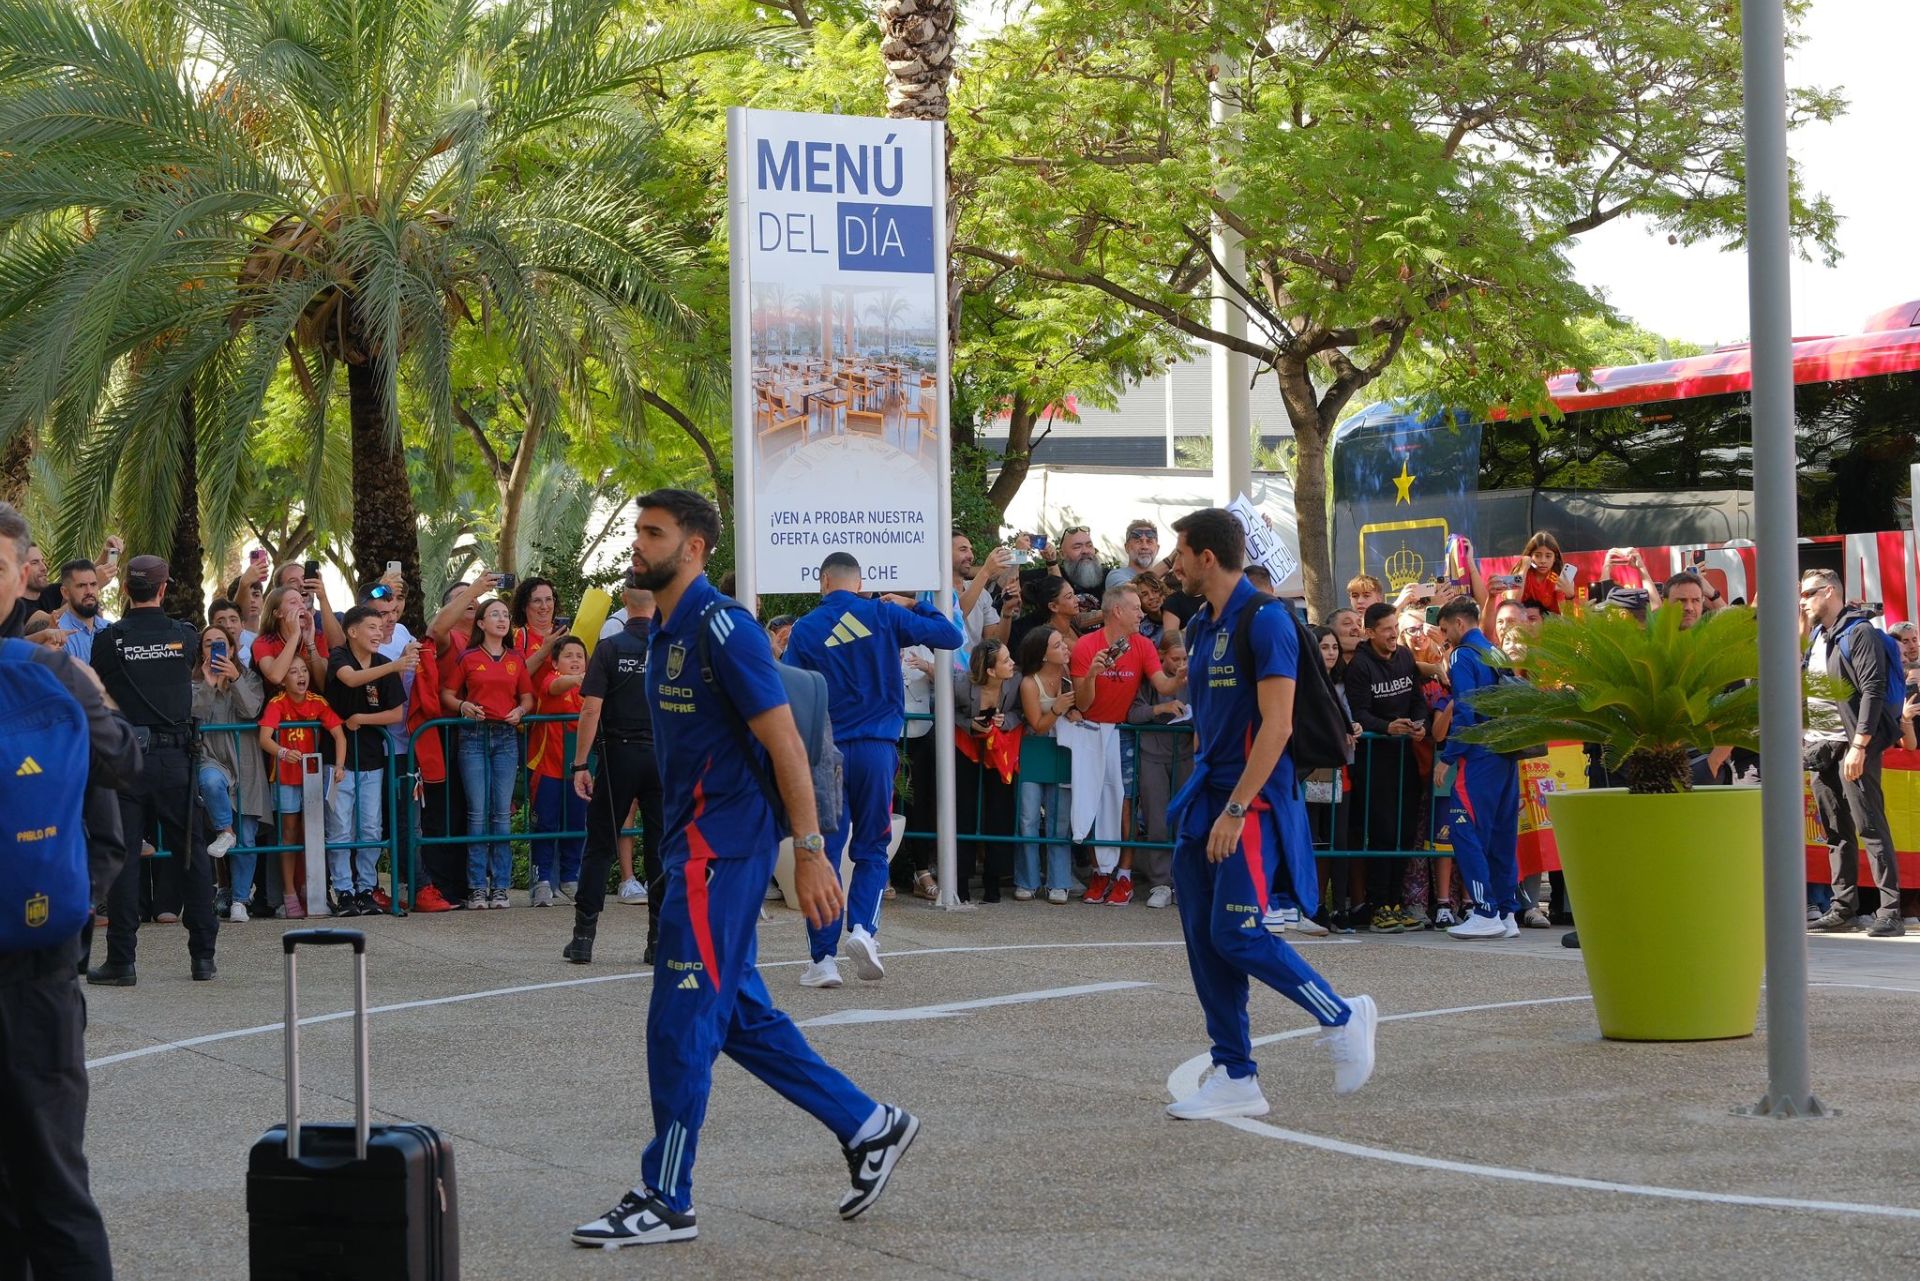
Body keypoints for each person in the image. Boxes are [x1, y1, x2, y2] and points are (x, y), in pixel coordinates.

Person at [570, 489, 919, 1248]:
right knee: (739, 1018)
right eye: (638, 531)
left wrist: (810, 847)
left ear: (693, 547)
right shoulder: (664, 630)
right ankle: (870, 1125)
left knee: (680, 1021)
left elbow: (786, 740)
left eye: (652, 533)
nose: (638, 544)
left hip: (720, 855)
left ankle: (667, 1195)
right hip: (692, 851)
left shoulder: (722, 626)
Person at [1160, 507, 1376, 1120]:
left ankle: (1342, 1014)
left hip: (1248, 802)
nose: (1172, 564)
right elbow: (1208, 719)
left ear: (1207, 557)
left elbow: (1277, 726)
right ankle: (1234, 1074)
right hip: (1208, 798)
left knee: (1238, 933)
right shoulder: (1203, 624)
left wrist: (1236, 807)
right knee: (1206, 941)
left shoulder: (1268, 620)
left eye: (1179, 552)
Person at [0, 501, 140, 1281]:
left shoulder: (47, 669)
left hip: (39, 960)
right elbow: (125, 765)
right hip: (41, 953)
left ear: (25, 575)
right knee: (50, 1177)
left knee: (39, 1187)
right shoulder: (51, 670)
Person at [784, 553, 963, 987]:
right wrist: (911, 604)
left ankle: (822, 961)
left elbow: (788, 688)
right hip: (878, 750)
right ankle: (863, 929)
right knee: (872, 847)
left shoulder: (806, 627)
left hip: (828, 750)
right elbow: (950, 636)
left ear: (824, 581)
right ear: (859, 582)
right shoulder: (883, 613)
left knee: (825, 852)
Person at [87, 555, 222, 985]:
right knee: (192, 852)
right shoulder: (184, 636)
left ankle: (122, 961)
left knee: (124, 856)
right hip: (176, 757)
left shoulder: (109, 640)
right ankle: (203, 957)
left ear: (126, 590)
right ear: (163, 590)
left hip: (127, 757)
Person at [566, 578, 665, 965]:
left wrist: (580, 764)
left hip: (619, 755)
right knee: (659, 848)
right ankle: (657, 940)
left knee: (601, 845)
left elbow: (590, 709)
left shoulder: (609, 648)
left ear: (624, 600)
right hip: (662, 757)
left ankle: (583, 938)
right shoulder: (674, 648)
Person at [1801, 570, 1904, 937]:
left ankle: (1889, 910)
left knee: (1869, 826)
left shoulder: (1857, 632)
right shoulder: (1817, 634)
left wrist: (1859, 745)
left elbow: (1873, 690)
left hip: (1851, 746)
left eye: (1810, 593)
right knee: (1835, 831)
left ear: (1830, 592)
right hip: (1820, 747)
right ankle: (1843, 907)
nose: (1804, 600)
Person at [1068, 583, 1182, 905]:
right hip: (1090, 730)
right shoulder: (1086, 646)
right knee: (1091, 800)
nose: (1142, 613)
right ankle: (1098, 872)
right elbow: (1085, 704)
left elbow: (1163, 683)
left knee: (1125, 803)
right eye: (1136, 608)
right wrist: (1091, 675)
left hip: (1123, 732)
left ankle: (1124, 876)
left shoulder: (1144, 645)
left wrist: (1180, 678)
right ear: (1117, 611)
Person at [1428, 598, 1525, 939]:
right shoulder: (1497, 653)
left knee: (1464, 830)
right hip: (1506, 752)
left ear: (1457, 623)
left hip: (1480, 756)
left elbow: (1467, 711)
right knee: (1501, 836)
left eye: (1444, 629)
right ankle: (1506, 913)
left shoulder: (1462, 655)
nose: (1444, 637)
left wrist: (1449, 757)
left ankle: (1485, 912)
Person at [1342, 601, 1429, 933]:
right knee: (1383, 832)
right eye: (1386, 629)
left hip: (1406, 757)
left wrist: (1419, 723)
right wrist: (1386, 727)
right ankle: (1379, 906)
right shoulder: (1360, 666)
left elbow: (1417, 697)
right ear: (1370, 633)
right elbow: (1358, 712)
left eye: (1395, 627)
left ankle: (1396, 902)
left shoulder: (1405, 656)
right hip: (1375, 761)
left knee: (1405, 833)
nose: (1394, 634)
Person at [442, 597, 534, 910]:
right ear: (481, 623)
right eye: (494, 614)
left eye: (506, 614)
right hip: (473, 736)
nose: (501, 619)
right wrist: (463, 706)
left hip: (506, 737)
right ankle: (477, 886)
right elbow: (448, 694)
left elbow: (528, 697)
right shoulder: (467, 658)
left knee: (501, 815)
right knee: (478, 813)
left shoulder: (516, 658)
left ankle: (502, 887)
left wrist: (521, 710)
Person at [324, 604, 411, 916]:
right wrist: (393, 667)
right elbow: (349, 679)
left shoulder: (385, 664)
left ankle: (366, 887)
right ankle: (343, 889)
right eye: (372, 627)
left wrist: (362, 716)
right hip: (338, 761)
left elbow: (396, 713)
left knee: (371, 827)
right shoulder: (339, 657)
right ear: (352, 631)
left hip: (373, 758)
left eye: (381, 627)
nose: (379, 633)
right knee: (340, 826)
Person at [257, 658, 347, 918]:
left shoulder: (317, 702)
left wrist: (340, 766)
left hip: (312, 780)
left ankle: (313, 889)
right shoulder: (277, 703)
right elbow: (264, 738)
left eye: (304, 670)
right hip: (285, 778)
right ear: (283, 679)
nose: (300, 675)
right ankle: (288, 894)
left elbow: (339, 734)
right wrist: (283, 752)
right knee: (289, 834)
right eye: (293, 671)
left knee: (313, 834)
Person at [191, 625, 267, 918]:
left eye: (220, 643)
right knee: (208, 781)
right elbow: (195, 715)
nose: (214, 649)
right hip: (213, 757)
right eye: (208, 644)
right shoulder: (196, 680)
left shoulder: (249, 677)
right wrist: (209, 684)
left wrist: (234, 680)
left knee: (247, 836)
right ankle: (225, 830)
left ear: (233, 649)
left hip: (246, 763)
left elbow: (251, 711)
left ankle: (239, 901)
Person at [1128, 630, 1193, 910]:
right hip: (1152, 754)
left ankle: (1183, 880)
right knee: (1156, 819)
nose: (1179, 665)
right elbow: (1133, 713)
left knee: (1185, 819)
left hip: (1186, 753)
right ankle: (1160, 882)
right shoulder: (1148, 680)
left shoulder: (1194, 677)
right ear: (1161, 656)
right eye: (1174, 659)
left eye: (1183, 659)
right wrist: (1160, 708)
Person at [954, 638, 1022, 902]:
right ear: (991, 670)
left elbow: (1022, 712)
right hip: (966, 748)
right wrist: (970, 724)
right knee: (963, 812)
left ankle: (994, 881)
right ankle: (960, 881)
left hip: (1000, 749)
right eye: (1006, 660)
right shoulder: (960, 684)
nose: (1012, 663)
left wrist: (1007, 721)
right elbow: (940, 709)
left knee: (1000, 811)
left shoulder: (1016, 682)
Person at [1016, 627, 1079, 903]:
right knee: (1028, 817)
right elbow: (1037, 726)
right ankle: (1027, 880)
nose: (1065, 647)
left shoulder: (1067, 678)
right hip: (1035, 748)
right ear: (1043, 654)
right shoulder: (1029, 683)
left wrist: (1072, 709)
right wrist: (1059, 707)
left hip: (1062, 750)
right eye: (1057, 644)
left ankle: (1059, 880)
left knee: (1060, 819)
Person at [527, 636, 588, 907]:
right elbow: (554, 687)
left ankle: (570, 878)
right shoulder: (551, 680)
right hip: (547, 766)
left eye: (580, 656)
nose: (575, 660)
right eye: (568, 655)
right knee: (545, 824)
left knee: (576, 823)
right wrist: (577, 680)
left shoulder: (591, 686)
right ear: (554, 662)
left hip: (579, 770)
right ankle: (541, 881)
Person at [895, 642, 940, 900]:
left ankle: (921, 870)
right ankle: (886, 873)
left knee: (919, 802)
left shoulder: (923, 648)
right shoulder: (876, 641)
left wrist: (927, 667)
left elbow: (948, 679)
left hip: (920, 735)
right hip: (887, 733)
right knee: (886, 803)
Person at [510, 575, 572, 676]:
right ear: (523, 606)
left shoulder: (565, 633)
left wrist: (577, 643)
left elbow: (590, 671)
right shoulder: (516, 636)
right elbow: (515, 676)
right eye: (537, 601)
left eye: (548, 599)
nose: (544, 606)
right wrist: (546, 648)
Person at [54, 560, 113, 663]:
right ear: (65, 592)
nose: (89, 591)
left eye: (93, 584)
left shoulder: (111, 628)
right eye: (81, 586)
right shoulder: (59, 635)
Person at [1519, 532, 1577, 615]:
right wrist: (1523, 569)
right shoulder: (1522, 574)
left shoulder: (1558, 580)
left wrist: (1570, 597)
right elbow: (1512, 601)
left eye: (1548, 556)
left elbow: (1568, 619)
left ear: (1554, 558)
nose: (1543, 561)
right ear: (1530, 556)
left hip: (1551, 626)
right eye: (1537, 555)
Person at [1104, 519, 1162, 590]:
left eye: (1149, 542)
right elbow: (1131, 592)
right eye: (1138, 542)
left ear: (1157, 548)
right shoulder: (1116, 576)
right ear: (1127, 547)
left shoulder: (1166, 578)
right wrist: (1168, 562)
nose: (1145, 546)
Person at [1056, 524, 1106, 606]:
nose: (1085, 551)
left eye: (1089, 546)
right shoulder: (1054, 574)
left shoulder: (1107, 576)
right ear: (1062, 554)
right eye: (1077, 547)